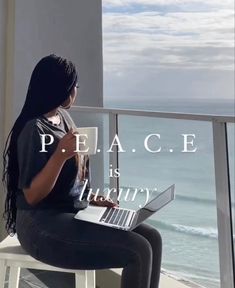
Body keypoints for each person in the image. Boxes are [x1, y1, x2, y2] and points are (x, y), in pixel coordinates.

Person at [2, 54, 162, 288]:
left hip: (70, 212)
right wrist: (60, 156)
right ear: (61, 89)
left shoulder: (63, 117)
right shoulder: (32, 129)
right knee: (137, 249)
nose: (76, 90)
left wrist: (90, 198)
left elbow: (68, 182)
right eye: (74, 85)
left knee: (152, 238)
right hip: (40, 225)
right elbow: (33, 196)